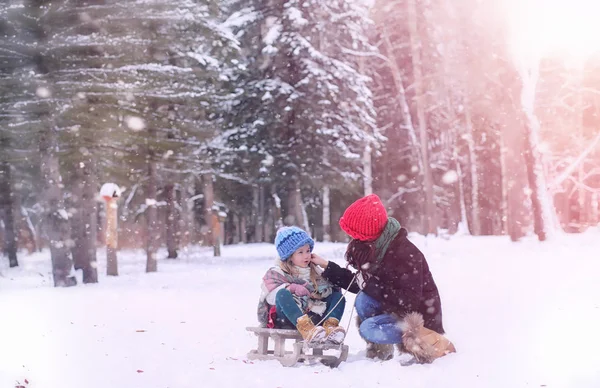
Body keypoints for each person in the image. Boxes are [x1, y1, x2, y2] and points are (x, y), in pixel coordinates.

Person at [311, 194, 456, 363]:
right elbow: (360, 284)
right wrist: (327, 266)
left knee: (368, 328)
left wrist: (370, 284)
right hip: (394, 307)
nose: (353, 239)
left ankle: (427, 342)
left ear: (369, 232)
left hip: (418, 318)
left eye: (356, 234)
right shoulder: (376, 247)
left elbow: (409, 301)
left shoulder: (406, 254)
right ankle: (381, 354)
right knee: (363, 300)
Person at [257, 226, 346, 344]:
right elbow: (270, 296)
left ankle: (330, 326)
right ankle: (306, 328)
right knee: (282, 294)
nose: (306, 255)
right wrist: (290, 288)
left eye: (308, 250)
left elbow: (330, 288)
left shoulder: (315, 271)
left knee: (338, 297)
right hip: (288, 318)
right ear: (289, 256)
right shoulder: (278, 272)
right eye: (300, 252)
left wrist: (321, 292)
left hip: (314, 316)